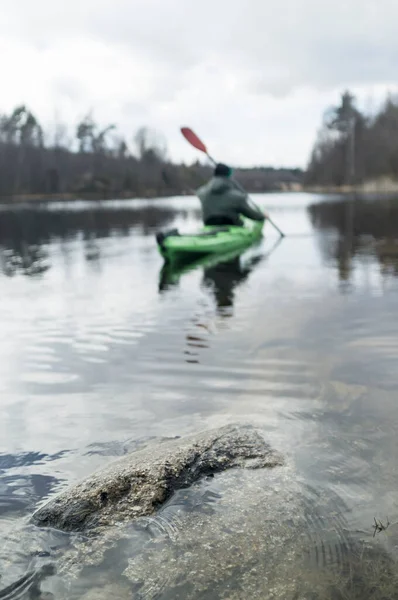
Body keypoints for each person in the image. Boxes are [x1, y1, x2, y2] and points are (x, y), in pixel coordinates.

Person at [196, 163, 267, 226]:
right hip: (231, 224)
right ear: (228, 175)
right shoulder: (237, 197)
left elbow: (199, 192)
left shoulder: (202, 193)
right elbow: (249, 214)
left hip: (209, 223)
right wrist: (262, 216)